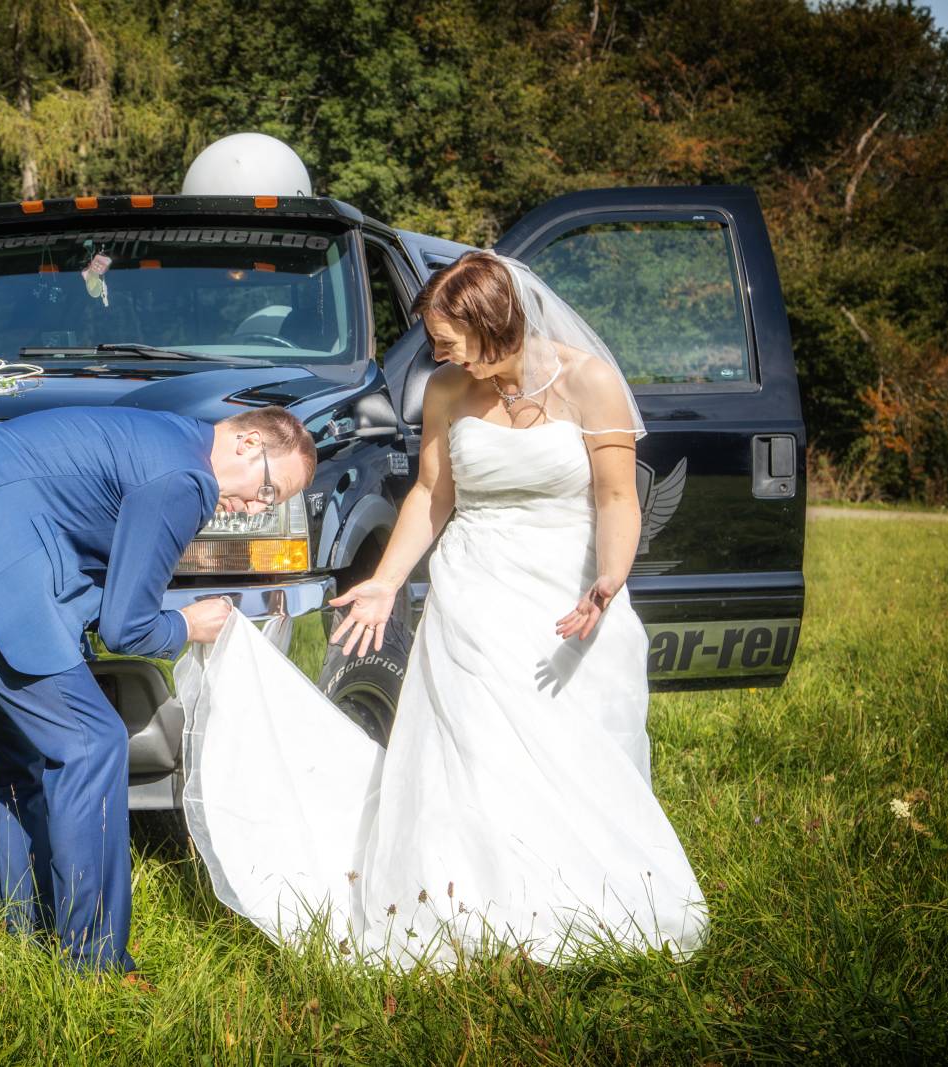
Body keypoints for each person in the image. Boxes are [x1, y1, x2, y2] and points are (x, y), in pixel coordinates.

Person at [179, 252, 709, 969]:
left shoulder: (589, 381)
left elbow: (617, 496)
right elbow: (431, 493)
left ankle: (582, 902)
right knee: (472, 749)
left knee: (573, 749)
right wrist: (386, 581)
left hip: (568, 588)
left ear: (494, 322)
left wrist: (609, 580)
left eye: (447, 336)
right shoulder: (447, 389)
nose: (436, 350)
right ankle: (473, 909)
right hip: (474, 588)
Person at [0, 405, 316, 974]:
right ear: (249, 442)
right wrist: (189, 625)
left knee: (23, 748)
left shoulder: (165, 433)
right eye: (267, 491)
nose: (256, 509)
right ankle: (95, 964)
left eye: (271, 507)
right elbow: (126, 626)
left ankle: (26, 933)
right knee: (92, 739)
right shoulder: (186, 479)